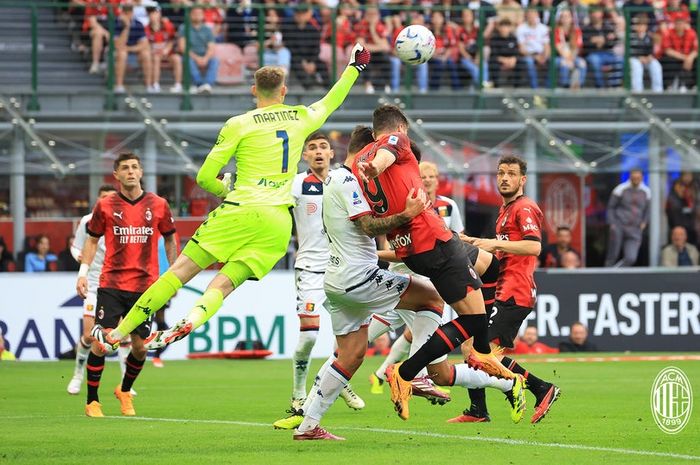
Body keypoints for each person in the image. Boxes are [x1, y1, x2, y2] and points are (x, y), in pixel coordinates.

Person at [90, 46, 372, 357]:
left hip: (240, 210)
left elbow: (204, 177)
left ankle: (116, 334)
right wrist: (354, 67)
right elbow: (333, 99)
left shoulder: (239, 123)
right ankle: (191, 320)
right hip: (277, 224)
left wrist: (224, 189)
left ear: (254, 90)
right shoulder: (301, 117)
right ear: (284, 91)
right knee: (223, 286)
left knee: (179, 273)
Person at [287, 126, 524, 439]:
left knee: (351, 355)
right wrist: (408, 213)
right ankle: (420, 374)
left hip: (336, 280)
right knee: (432, 299)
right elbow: (370, 227)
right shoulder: (348, 180)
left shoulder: (331, 178)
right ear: (365, 152)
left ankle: (308, 425)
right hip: (359, 276)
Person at [354, 105, 515, 421]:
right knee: (475, 319)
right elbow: (387, 152)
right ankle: (408, 371)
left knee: (481, 292)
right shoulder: (394, 142)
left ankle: (481, 356)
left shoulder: (361, 158)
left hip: (411, 249)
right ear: (401, 127)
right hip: (432, 239)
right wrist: (377, 165)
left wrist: (371, 167)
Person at [457, 155, 560, 424]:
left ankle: (540, 388)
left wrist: (493, 244)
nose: (505, 178)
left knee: (482, 354)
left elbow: (534, 246)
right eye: (501, 173)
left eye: (511, 174)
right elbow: (500, 248)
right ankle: (478, 409)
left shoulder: (524, 208)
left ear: (522, 180)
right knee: (470, 347)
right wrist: (475, 244)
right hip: (501, 289)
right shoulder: (505, 211)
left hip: (515, 293)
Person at [76, 152, 177, 418]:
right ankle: (92, 401)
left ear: (141, 172)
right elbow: (91, 240)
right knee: (103, 342)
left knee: (141, 347)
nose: (130, 171)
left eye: (134, 167)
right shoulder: (106, 205)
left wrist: (175, 275)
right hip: (112, 284)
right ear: (116, 175)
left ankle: (124, 390)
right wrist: (83, 272)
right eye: (125, 168)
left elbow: (170, 238)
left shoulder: (159, 205)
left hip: (145, 287)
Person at [369, 160, 465, 393]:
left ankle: (369, 371)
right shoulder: (406, 207)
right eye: (424, 175)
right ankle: (417, 377)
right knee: (428, 330)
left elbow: (458, 239)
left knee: (407, 332)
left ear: (438, 179)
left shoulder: (448, 206)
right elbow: (398, 247)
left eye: (432, 175)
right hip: (406, 278)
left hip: (433, 279)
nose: (428, 179)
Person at [286, 132, 364, 414]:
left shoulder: (342, 181)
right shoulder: (296, 185)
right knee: (308, 336)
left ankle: (337, 381)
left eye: (323, 147)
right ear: (305, 156)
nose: (318, 152)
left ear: (332, 153)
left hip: (340, 267)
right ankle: (297, 394)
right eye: (312, 148)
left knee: (347, 337)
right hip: (309, 267)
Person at [66, 184, 125, 396]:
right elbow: (76, 247)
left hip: (119, 285)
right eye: (104, 198)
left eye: (111, 197)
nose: (108, 201)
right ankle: (77, 375)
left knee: (121, 335)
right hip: (94, 284)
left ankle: (127, 382)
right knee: (90, 335)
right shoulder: (88, 221)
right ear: (99, 201)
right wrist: (79, 259)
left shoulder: (125, 219)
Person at [604, 169, 651, 267]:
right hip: (619, 225)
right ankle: (607, 275)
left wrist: (644, 222)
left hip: (635, 228)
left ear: (642, 178)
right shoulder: (620, 189)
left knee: (631, 257)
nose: (636, 180)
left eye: (638, 178)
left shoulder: (646, 191)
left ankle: (615, 273)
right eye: (634, 177)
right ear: (630, 177)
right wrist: (612, 223)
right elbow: (611, 207)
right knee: (613, 254)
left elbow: (648, 209)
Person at [113, 4, 154, 94]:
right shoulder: (116, 23)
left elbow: (144, 45)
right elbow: (118, 45)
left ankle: (149, 86)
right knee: (122, 54)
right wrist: (126, 27)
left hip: (133, 51)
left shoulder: (138, 24)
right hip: (118, 53)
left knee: (146, 54)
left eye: (130, 12)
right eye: (126, 13)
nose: (128, 15)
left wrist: (128, 49)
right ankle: (119, 85)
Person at [178, 6, 219, 94]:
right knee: (187, 60)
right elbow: (182, 47)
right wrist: (197, 58)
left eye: (199, 14)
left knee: (215, 60)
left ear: (203, 15)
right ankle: (199, 84)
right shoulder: (183, 28)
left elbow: (211, 47)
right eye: (194, 14)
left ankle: (207, 84)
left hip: (204, 55)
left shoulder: (207, 29)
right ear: (190, 15)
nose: (197, 16)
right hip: (190, 56)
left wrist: (206, 58)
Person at [145, 5, 183, 93]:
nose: (154, 15)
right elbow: (146, 44)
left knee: (177, 58)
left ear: (160, 14)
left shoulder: (168, 25)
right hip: (154, 53)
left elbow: (172, 39)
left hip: (167, 52)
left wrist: (166, 49)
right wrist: (153, 51)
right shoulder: (146, 28)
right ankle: (155, 84)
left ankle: (178, 85)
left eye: (156, 13)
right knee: (156, 58)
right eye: (152, 14)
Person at [582, 7, 622, 88]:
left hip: (607, 53)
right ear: (590, 15)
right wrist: (605, 39)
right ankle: (601, 87)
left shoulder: (607, 27)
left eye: (598, 13)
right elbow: (586, 44)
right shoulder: (586, 28)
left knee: (620, 60)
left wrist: (601, 40)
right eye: (594, 13)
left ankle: (613, 86)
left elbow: (613, 41)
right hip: (593, 54)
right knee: (594, 61)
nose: (596, 15)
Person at [516, 8, 550, 89]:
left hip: (541, 54)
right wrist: (535, 57)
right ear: (526, 16)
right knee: (529, 62)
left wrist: (545, 57)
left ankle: (548, 89)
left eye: (533, 15)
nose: (531, 17)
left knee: (553, 61)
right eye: (529, 15)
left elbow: (547, 46)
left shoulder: (543, 28)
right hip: (528, 55)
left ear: (537, 15)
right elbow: (522, 49)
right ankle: (535, 89)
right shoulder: (521, 28)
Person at [628, 15, 663, 93]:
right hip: (634, 59)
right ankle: (637, 91)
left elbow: (651, 51)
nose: (640, 27)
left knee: (656, 65)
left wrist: (650, 56)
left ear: (646, 26)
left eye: (643, 25)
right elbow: (630, 51)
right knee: (636, 66)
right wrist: (639, 57)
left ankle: (658, 91)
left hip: (646, 59)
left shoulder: (649, 37)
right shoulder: (631, 36)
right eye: (638, 25)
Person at [553, 9, 586, 89]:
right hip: (559, 57)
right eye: (563, 17)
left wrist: (571, 59)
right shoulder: (556, 31)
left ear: (571, 18)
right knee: (564, 64)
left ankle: (578, 85)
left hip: (573, 56)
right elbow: (558, 47)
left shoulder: (577, 31)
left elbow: (577, 48)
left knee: (582, 63)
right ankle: (565, 85)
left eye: (567, 16)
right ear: (560, 19)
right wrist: (568, 60)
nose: (565, 19)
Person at [666, 179, 697, 245]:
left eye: (684, 187)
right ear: (675, 187)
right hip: (678, 231)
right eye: (680, 186)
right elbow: (676, 219)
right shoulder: (672, 200)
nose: (682, 189)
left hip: (688, 231)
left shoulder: (685, 199)